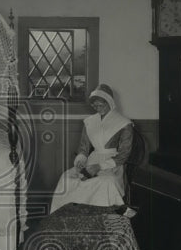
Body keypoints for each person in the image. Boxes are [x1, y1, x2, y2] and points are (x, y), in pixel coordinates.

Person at [49, 83, 135, 213]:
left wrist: (99, 167)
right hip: (92, 159)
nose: (98, 108)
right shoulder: (89, 121)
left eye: (101, 105)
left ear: (109, 103)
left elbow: (124, 154)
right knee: (66, 178)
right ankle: (68, 213)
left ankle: (102, 214)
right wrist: (80, 160)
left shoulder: (124, 123)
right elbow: (84, 148)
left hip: (112, 163)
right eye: (95, 106)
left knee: (107, 182)